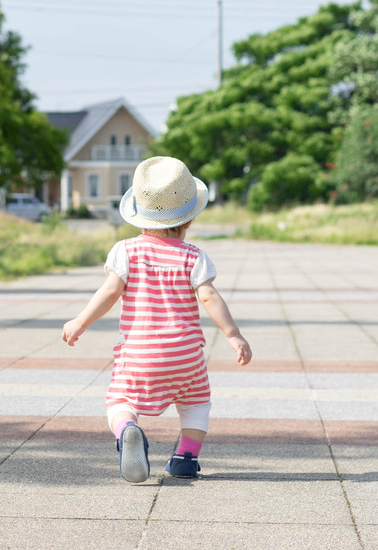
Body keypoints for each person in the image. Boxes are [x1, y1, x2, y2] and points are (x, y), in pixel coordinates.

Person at [62, 156, 252, 483]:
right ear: (188, 219)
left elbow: (109, 292)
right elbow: (208, 296)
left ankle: (127, 431)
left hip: (140, 354)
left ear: (138, 214)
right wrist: (233, 335)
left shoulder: (126, 251)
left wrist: (80, 321)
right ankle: (185, 459)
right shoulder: (193, 256)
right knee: (196, 403)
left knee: (120, 400)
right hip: (186, 355)